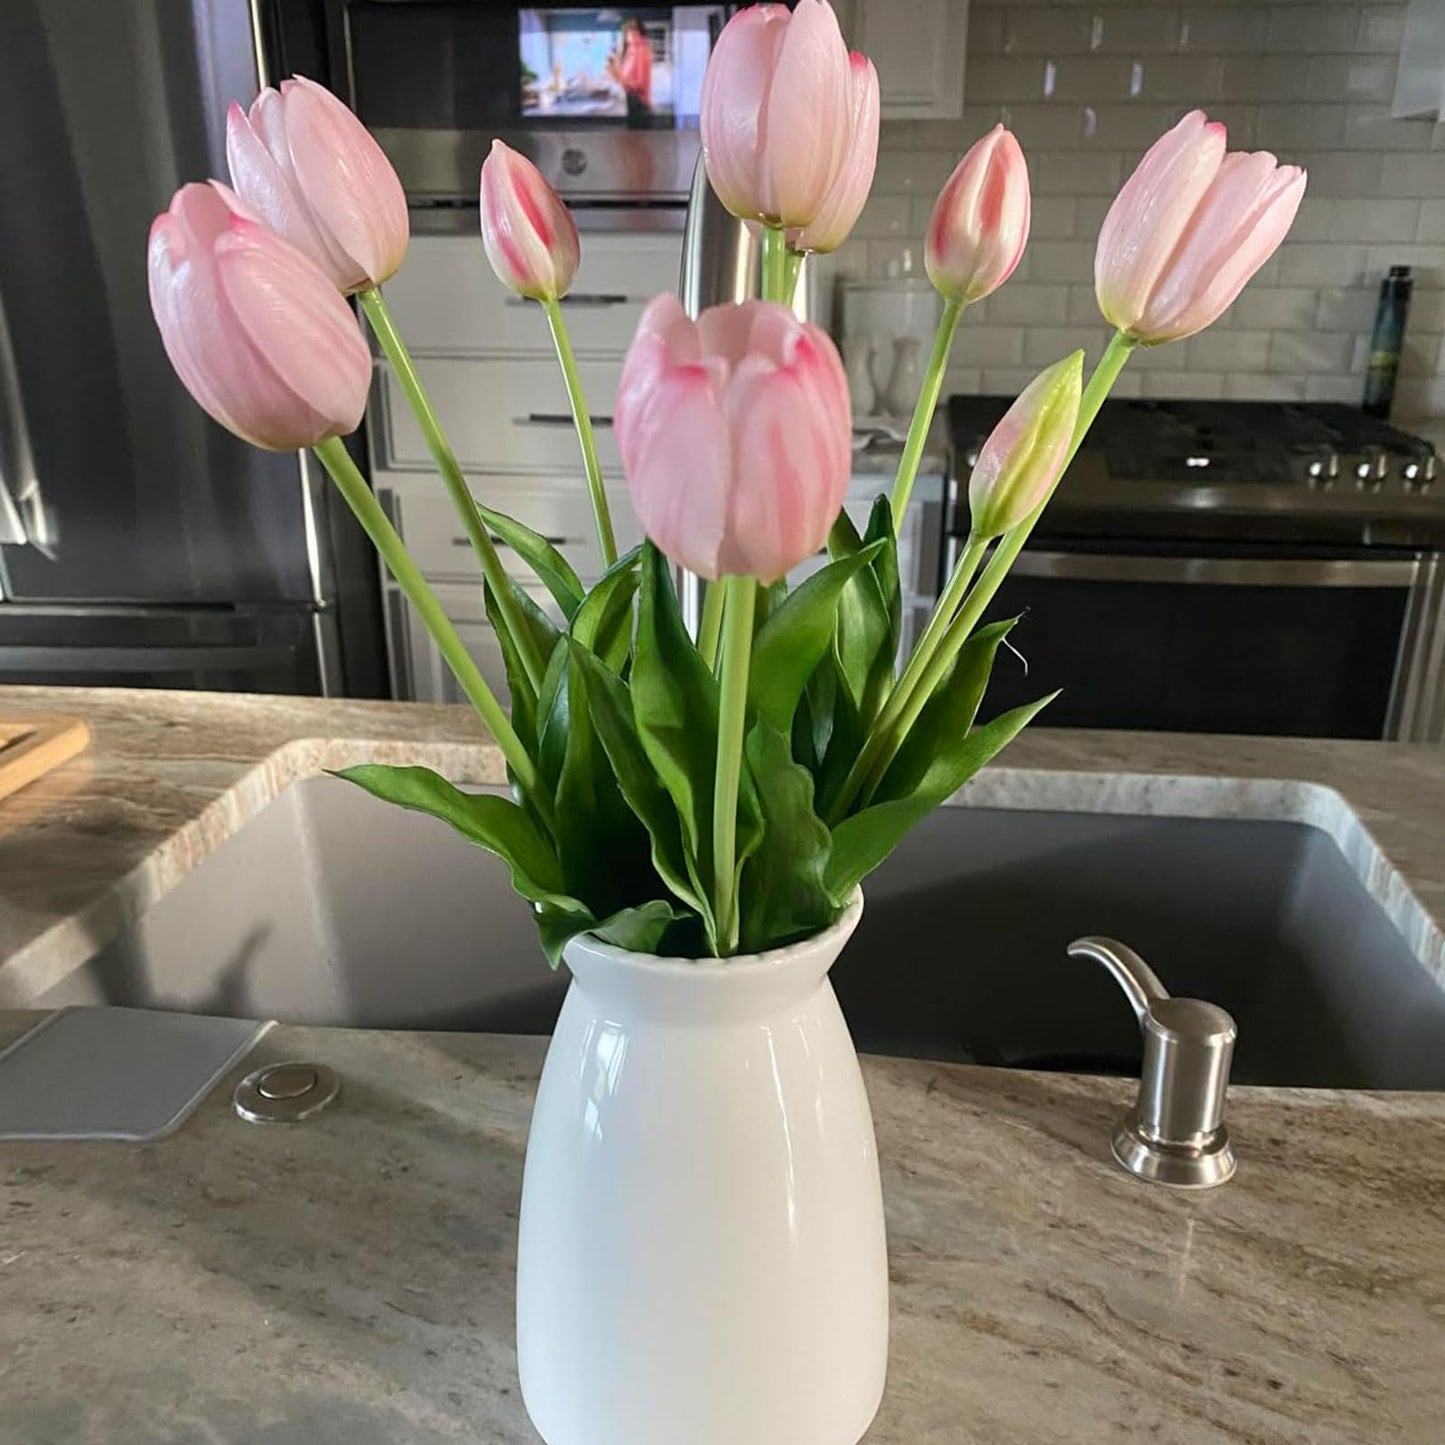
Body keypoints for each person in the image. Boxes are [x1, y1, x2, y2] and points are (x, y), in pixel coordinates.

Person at [607, 17, 653, 125]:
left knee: (638, 138)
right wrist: (613, 68)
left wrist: (622, 78)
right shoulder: (630, 51)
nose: (632, 32)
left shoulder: (641, 49)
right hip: (632, 101)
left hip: (639, 103)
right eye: (629, 28)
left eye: (634, 28)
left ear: (640, 30)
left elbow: (639, 85)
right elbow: (623, 80)